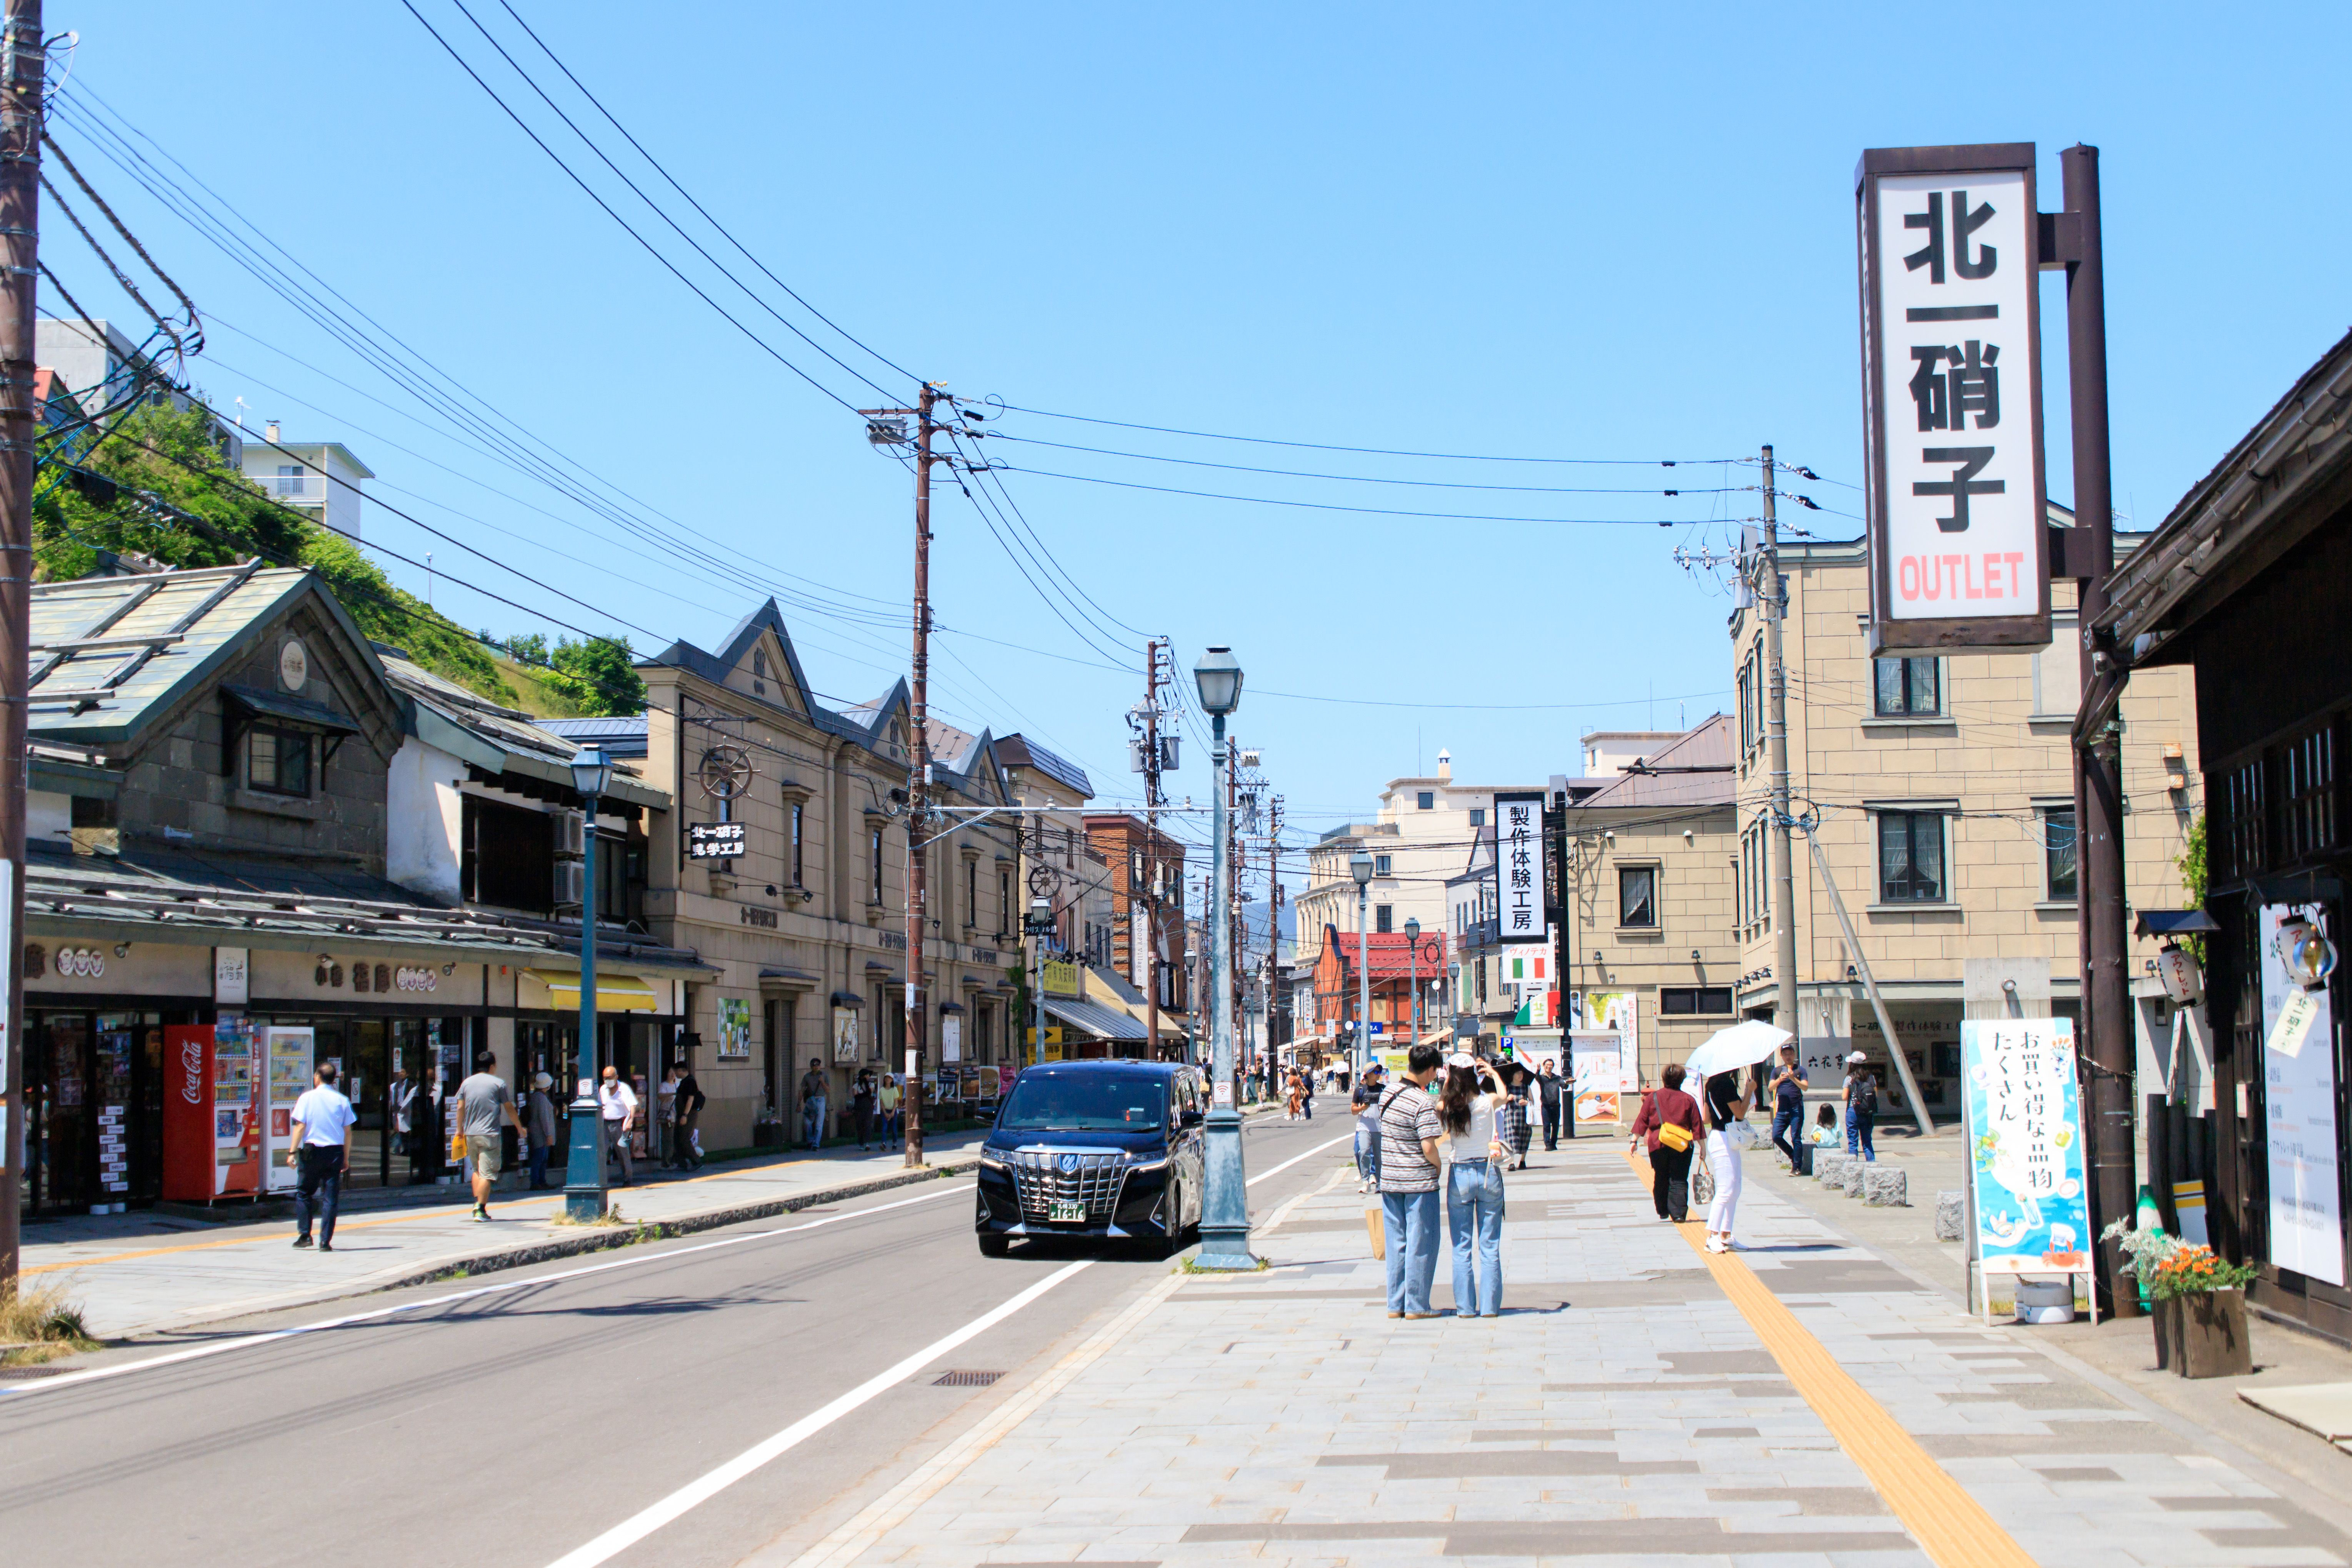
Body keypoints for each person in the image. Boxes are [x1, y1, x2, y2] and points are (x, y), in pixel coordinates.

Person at [1375, 1043, 1447, 1319]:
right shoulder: (1422, 1101)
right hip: (1418, 1181)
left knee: (1396, 1243)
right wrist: (1439, 1166)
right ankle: (1417, 1305)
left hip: (1390, 1180)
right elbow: (1428, 1146)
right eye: (1434, 1072)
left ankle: (1396, 1304)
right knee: (1421, 1243)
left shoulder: (1387, 1093)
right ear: (1429, 1070)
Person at [1438, 1055, 1509, 1317]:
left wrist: (1447, 1081)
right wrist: (1492, 1073)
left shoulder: (1448, 1105)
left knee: (1461, 1246)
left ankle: (1466, 1308)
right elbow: (1503, 1093)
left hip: (1460, 1174)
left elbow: (1440, 1102)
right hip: (1488, 1172)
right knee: (1490, 1246)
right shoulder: (1486, 1102)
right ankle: (1490, 1308)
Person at [289, 1061, 356, 1251]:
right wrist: (346, 1157)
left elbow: (300, 1126)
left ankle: (305, 1235)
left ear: (317, 1077)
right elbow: (348, 1131)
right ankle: (325, 1242)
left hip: (311, 1151)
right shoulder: (342, 1100)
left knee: (304, 1193)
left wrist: (292, 1151)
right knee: (330, 1198)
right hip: (334, 1151)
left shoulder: (307, 1098)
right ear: (334, 1080)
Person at [1629, 1063, 1704, 1221]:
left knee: (1661, 1176)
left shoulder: (1653, 1098)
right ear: (1682, 1079)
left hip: (1659, 1144)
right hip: (1682, 1145)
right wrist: (1703, 1148)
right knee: (1679, 1178)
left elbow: (1642, 1120)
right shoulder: (1689, 1100)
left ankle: (1662, 1210)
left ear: (1664, 1079)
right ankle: (1678, 1214)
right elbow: (1697, 1125)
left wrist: (1634, 1141)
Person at [456, 1049, 523, 1221]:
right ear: (492, 1066)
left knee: (477, 1170)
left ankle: (476, 1204)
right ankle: (480, 1209)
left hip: (470, 1133)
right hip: (490, 1134)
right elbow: (509, 1108)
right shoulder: (498, 1084)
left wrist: (459, 1130)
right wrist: (519, 1128)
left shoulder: (467, 1083)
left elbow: (460, 1108)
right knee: (488, 1173)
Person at [1701, 1064, 1752, 1254]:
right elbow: (1740, 1113)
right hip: (1724, 1139)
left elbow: (1706, 1118)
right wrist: (1749, 1092)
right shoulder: (1726, 1084)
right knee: (1726, 1189)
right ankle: (1712, 1236)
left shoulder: (1711, 1084)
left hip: (1722, 1136)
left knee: (1735, 1187)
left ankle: (1726, 1234)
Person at [1768, 1046, 1809, 1171]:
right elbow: (1770, 1087)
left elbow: (1805, 1087)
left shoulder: (1800, 1070)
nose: (1788, 1056)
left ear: (1794, 1054)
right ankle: (1793, 1156)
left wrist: (1793, 1078)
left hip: (1796, 1108)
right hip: (1782, 1109)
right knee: (1776, 1136)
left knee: (1796, 1137)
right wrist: (1780, 1079)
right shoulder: (1777, 1071)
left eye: (1790, 1054)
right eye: (1785, 1054)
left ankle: (1797, 1167)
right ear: (1781, 1056)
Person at [599, 1064, 638, 1186]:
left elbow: (632, 1105)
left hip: (620, 1124)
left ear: (616, 1077)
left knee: (622, 1153)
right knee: (601, 1153)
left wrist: (630, 1121)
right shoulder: (603, 1089)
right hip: (605, 1124)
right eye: (605, 1078)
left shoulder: (624, 1089)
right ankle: (601, 1181)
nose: (607, 1080)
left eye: (610, 1077)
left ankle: (627, 1179)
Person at [525, 1071, 560, 1189]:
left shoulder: (535, 1097)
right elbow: (544, 1118)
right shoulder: (542, 1099)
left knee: (542, 1158)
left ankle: (541, 1181)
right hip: (542, 1135)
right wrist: (549, 1135)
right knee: (540, 1159)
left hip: (537, 1132)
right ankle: (536, 1182)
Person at [1844, 1051, 1879, 1162]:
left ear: (1852, 1064)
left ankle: (1853, 1166)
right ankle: (1872, 1165)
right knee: (1867, 1142)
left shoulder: (1850, 1078)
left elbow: (1844, 1097)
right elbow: (1876, 1094)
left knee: (1853, 1142)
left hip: (1853, 1111)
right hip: (1868, 1112)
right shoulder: (1871, 1078)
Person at [1496, 1064, 1532, 1170]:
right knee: (1510, 1139)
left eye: (1522, 1074)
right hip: (1510, 1117)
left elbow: (1532, 1101)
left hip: (1523, 1118)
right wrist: (1507, 1099)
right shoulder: (1507, 1087)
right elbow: (1500, 1101)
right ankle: (1511, 1163)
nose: (1521, 1076)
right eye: (1518, 1074)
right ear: (1513, 1075)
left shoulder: (1526, 1087)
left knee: (1524, 1138)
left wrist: (1527, 1102)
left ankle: (1523, 1160)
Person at [672, 1061, 707, 1170]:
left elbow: (690, 1099)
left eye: (676, 1072)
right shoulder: (684, 1082)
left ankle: (696, 1161)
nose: (675, 1074)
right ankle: (682, 1163)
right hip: (682, 1114)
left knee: (684, 1138)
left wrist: (685, 1115)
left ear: (681, 1070)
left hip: (688, 1114)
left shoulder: (690, 1082)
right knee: (677, 1137)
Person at [1351, 1079, 1381, 1192]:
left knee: (1378, 1157)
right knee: (1361, 1152)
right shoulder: (1360, 1090)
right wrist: (1362, 1108)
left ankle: (1379, 1183)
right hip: (1363, 1127)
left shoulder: (1383, 1089)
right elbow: (1353, 1110)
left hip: (1379, 1128)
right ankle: (1365, 1180)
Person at [1534, 1059, 1565, 1151]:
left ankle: (1553, 1143)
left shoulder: (1557, 1078)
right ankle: (1547, 1144)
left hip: (1556, 1105)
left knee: (1556, 1125)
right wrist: (1538, 1071)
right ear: (1544, 1066)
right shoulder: (1542, 1078)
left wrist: (1568, 1083)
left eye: (1551, 1065)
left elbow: (1564, 1085)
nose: (1549, 1066)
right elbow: (1537, 1078)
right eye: (1547, 1065)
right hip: (1546, 1105)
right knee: (1546, 1125)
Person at [799, 1058, 828, 1149]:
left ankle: (816, 1144)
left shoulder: (824, 1076)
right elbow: (801, 1090)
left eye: (818, 1065)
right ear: (811, 1067)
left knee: (819, 1124)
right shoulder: (807, 1077)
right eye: (814, 1065)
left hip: (820, 1100)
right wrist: (798, 1104)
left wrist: (822, 1082)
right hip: (810, 1101)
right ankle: (810, 1141)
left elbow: (828, 1090)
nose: (816, 1067)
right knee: (808, 1122)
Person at [852, 1070, 878, 1150]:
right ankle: (861, 1143)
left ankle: (867, 1143)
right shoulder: (856, 1085)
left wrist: (862, 1093)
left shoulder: (871, 1084)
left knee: (868, 1124)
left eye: (868, 1076)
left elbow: (869, 1093)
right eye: (866, 1075)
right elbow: (856, 1096)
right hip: (859, 1107)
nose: (868, 1077)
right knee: (860, 1125)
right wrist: (864, 1095)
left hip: (868, 1107)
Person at [878, 1073, 901, 1144]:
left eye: (890, 1078)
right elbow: (881, 1102)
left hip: (893, 1110)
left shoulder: (895, 1089)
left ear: (892, 1080)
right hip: (885, 1110)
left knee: (894, 1128)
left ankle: (895, 1143)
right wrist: (885, 1113)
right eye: (886, 1078)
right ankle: (884, 1143)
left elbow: (896, 1101)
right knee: (884, 1127)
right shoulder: (881, 1090)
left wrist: (893, 1112)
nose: (888, 1079)